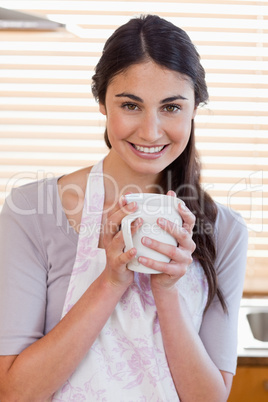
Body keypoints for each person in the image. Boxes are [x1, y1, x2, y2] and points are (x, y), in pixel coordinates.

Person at [0, 14, 248, 401]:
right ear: (102, 102)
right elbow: (16, 393)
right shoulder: (32, 211)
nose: (150, 131)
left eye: (171, 107)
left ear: (195, 107)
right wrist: (111, 282)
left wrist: (166, 290)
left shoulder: (226, 231)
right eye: (131, 105)